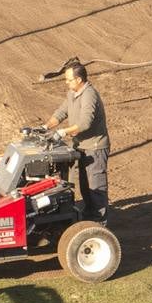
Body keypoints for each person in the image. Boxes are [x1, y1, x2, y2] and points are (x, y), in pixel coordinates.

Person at [45, 61, 110, 225]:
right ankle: (89, 215)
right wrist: (45, 126)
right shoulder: (72, 93)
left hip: (95, 147)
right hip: (80, 146)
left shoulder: (89, 94)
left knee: (96, 186)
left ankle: (99, 222)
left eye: (69, 80)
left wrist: (63, 132)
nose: (67, 83)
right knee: (85, 185)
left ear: (79, 79)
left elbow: (85, 123)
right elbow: (61, 112)